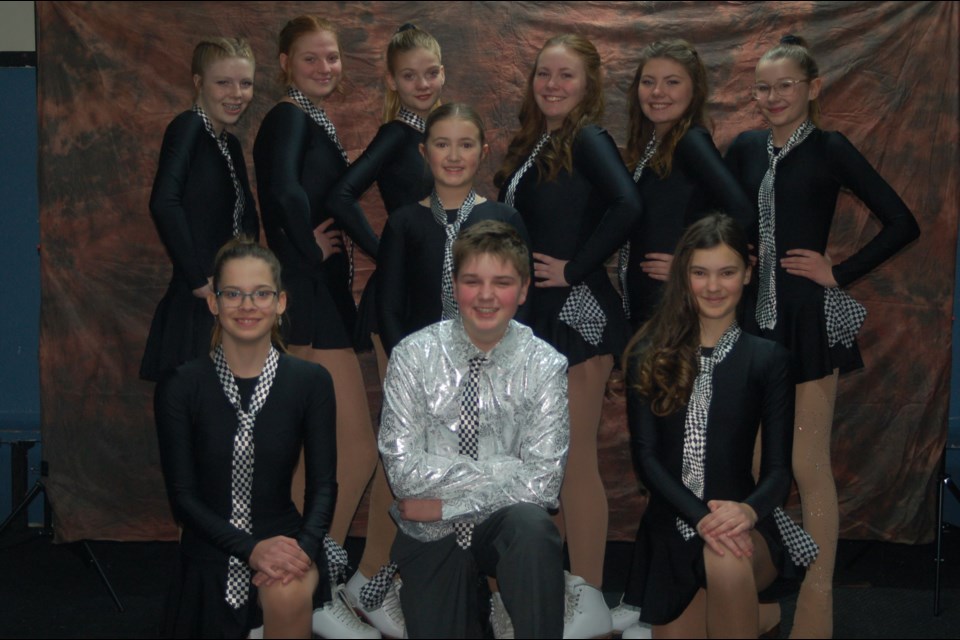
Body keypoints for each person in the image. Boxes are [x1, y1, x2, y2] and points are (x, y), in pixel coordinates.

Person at [724, 35, 920, 638]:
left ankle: (817, 605)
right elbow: (722, 218)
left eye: (787, 85)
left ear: (813, 88)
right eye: (764, 87)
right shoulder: (745, 147)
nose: (774, 96)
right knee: (753, 467)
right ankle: (759, 595)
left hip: (808, 322)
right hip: (751, 322)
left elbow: (902, 222)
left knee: (806, 466)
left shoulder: (832, 148)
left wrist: (840, 272)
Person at [494, 33, 642, 637]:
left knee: (573, 459)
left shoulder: (589, 138)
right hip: (536, 317)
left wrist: (577, 266)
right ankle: (549, 588)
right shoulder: (538, 141)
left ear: (589, 86)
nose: (552, 85)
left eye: (566, 76)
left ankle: (588, 595)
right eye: (543, 75)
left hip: (578, 314)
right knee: (539, 459)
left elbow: (629, 205)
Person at [620, 213, 816, 639]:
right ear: (683, 276)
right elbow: (647, 460)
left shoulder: (769, 359)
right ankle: (755, 615)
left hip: (745, 524)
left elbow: (779, 471)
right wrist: (700, 518)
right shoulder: (647, 354)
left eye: (726, 273)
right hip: (672, 524)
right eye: (700, 273)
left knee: (724, 558)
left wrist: (745, 511)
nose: (713, 287)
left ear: (747, 274)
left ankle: (746, 605)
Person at [253, 15, 381, 638]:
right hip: (307, 297)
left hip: (320, 294)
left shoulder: (312, 119)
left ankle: (301, 582)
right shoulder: (287, 116)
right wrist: (307, 252)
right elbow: (280, 193)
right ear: (284, 62)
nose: (326, 68)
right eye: (311, 59)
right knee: (352, 447)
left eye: (332, 58)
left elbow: (306, 190)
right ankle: (316, 574)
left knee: (316, 446)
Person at [379, 220, 569, 638]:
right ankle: (476, 607)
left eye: (501, 282)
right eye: (472, 281)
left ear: (522, 290)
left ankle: (519, 606)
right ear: (454, 285)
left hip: (502, 526)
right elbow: (403, 472)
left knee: (533, 528)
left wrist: (446, 504)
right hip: (429, 533)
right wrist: (507, 469)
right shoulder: (412, 355)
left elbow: (544, 485)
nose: (486, 296)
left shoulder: (545, 364)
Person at [324, 26, 443, 635]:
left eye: (431, 73)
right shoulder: (400, 133)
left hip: (430, 308)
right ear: (392, 82)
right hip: (396, 308)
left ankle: (373, 578)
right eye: (410, 75)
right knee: (399, 451)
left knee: (412, 452)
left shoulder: (435, 133)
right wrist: (386, 251)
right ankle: (360, 575)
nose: (422, 84)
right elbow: (343, 193)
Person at [155, 239, 336, 639]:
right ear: (214, 303)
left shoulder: (310, 382)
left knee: (286, 593)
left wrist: (302, 550)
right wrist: (250, 549)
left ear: (281, 303)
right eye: (233, 294)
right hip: (210, 548)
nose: (247, 305)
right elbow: (182, 498)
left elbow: (324, 486)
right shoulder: (181, 385)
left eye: (261, 294)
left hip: (287, 544)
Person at [141, 37, 260, 382]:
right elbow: (164, 201)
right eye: (223, 82)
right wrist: (198, 280)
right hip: (196, 307)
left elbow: (244, 218)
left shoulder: (229, 143)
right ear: (198, 83)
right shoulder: (188, 126)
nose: (236, 94)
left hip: (229, 300)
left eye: (245, 83)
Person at [618, 39, 753, 330]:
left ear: (694, 91)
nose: (657, 92)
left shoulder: (691, 140)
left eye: (672, 82)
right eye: (648, 82)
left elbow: (741, 211)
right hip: (650, 301)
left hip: (675, 302)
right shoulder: (653, 144)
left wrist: (691, 266)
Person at [377, 102, 529, 357]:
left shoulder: (506, 219)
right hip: (422, 366)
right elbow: (388, 310)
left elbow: (523, 306)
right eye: (442, 144)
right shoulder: (402, 223)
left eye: (466, 145)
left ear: (484, 152)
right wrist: (410, 367)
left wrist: (498, 360)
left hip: (495, 363)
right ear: (424, 152)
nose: (454, 156)